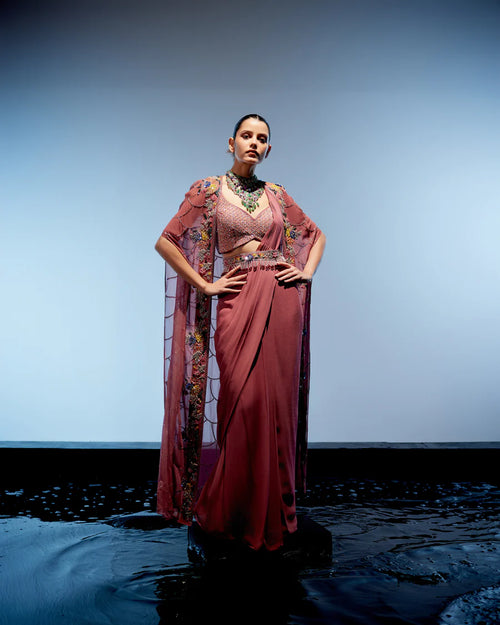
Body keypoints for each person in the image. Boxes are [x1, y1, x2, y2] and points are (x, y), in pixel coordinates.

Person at [155, 114, 326, 552]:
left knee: (277, 408)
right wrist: (206, 284)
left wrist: (305, 272)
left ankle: (272, 509)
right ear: (231, 143)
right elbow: (166, 241)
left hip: (281, 301)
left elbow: (316, 236)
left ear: (268, 148)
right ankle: (235, 509)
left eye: (262, 138)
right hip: (237, 300)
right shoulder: (208, 190)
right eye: (247, 136)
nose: (254, 143)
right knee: (242, 402)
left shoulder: (277, 194)